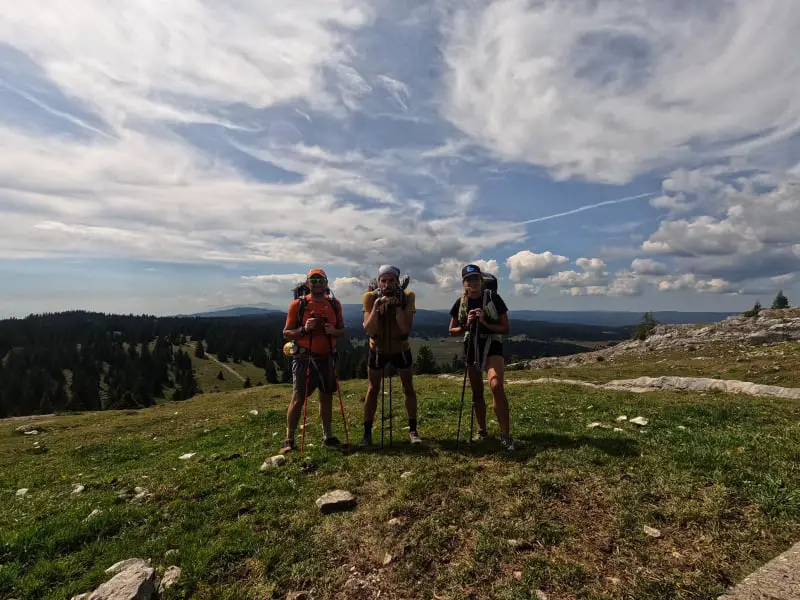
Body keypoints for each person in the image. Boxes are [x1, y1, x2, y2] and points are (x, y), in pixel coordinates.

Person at [279, 268, 347, 454]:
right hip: (304, 357)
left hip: (327, 357)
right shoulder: (297, 305)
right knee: (298, 398)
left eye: (320, 280)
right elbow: (286, 333)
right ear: (308, 283)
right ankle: (289, 439)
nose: (317, 283)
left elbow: (342, 331)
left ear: (326, 282)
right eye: (313, 280)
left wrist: (333, 331)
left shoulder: (335, 304)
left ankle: (328, 436)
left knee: (326, 396)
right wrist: (304, 330)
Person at [448, 263, 515, 450]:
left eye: (476, 278)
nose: (473, 282)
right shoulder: (460, 302)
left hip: (492, 342)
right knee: (477, 390)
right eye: (469, 280)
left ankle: (505, 435)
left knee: (496, 385)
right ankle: (482, 430)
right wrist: (466, 325)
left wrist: (484, 322)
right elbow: (452, 330)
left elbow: (505, 329)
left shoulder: (493, 298)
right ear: (464, 283)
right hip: (472, 343)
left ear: (481, 281)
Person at [361, 264, 421, 447]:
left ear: (397, 281)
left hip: (400, 348)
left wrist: (396, 307)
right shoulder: (370, 297)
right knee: (372, 390)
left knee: (408, 388)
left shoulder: (407, 296)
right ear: (379, 282)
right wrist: (377, 307)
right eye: (383, 281)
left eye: (391, 281)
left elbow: (405, 329)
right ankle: (367, 433)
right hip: (378, 349)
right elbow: (369, 329)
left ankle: (413, 430)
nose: (387, 285)